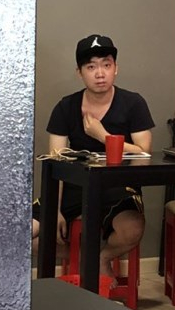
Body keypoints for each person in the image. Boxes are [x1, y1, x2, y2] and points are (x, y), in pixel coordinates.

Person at [44, 34, 153, 276]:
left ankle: (101, 257)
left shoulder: (133, 103)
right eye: (91, 67)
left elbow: (144, 152)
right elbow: (56, 160)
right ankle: (84, 256)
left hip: (119, 187)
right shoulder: (65, 107)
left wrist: (103, 136)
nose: (100, 73)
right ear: (79, 73)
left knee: (133, 228)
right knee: (20, 232)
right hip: (75, 186)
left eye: (106, 65)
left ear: (116, 68)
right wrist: (56, 208)